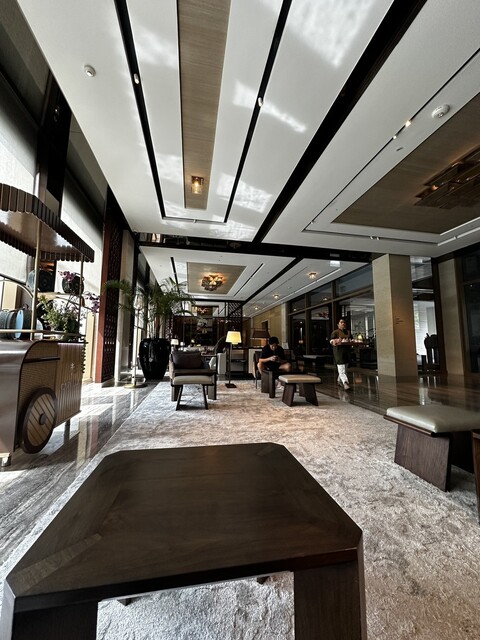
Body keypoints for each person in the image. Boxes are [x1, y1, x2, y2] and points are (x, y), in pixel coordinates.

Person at [330, 318, 352, 390]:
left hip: (347, 351)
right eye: (341, 322)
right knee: (341, 367)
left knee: (345, 369)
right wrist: (334, 341)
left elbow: (351, 340)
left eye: (344, 322)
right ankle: (345, 383)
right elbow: (331, 340)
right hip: (339, 352)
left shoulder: (347, 332)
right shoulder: (335, 332)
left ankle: (339, 380)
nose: (343, 324)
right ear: (338, 324)